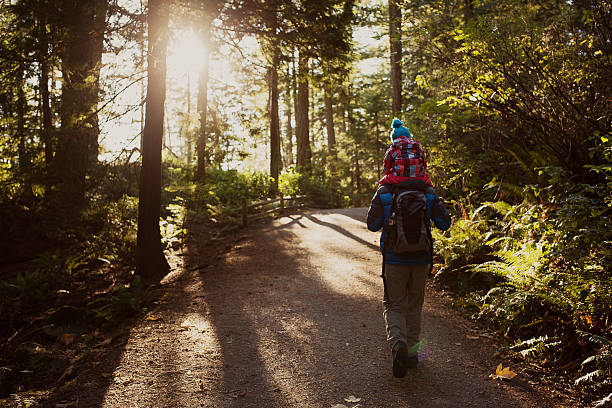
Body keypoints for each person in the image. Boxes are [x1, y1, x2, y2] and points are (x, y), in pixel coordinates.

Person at [366, 137, 451, 378]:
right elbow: (445, 222)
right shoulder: (427, 191)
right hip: (421, 260)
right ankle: (414, 356)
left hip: (394, 259)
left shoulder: (384, 191)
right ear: (420, 162)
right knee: (415, 306)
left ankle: (398, 347)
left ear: (390, 162)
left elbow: (372, 225)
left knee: (394, 305)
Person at [378, 118, 433, 189]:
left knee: (381, 187)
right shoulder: (418, 148)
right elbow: (424, 165)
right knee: (429, 187)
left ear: (394, 138)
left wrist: (386, 174)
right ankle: (434, 199)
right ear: (409, 136)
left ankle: (382, 199)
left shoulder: (392, 149)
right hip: (418, 179)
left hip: (397, 179)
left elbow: (386, 169)